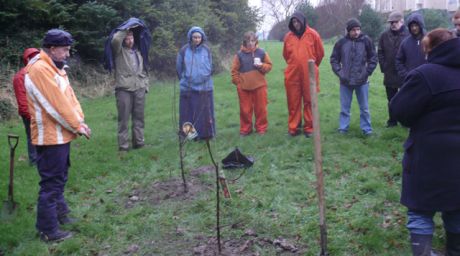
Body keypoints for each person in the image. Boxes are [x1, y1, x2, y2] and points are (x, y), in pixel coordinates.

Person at [390, 29, 460, 256]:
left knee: (420, 210)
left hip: (427, 157)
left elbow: (400, 110)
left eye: (425, 49)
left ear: (432, 49)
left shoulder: (424, 75)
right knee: (457, 207)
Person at [24, 29, 91, 242]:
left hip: (61, 134)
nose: (67, 54)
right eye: (64, 50)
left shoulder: (56, 67)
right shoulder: (39, 69)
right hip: (49, 137)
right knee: (51, 183)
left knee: (60, 177)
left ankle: (60, 215)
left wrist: (80, 121)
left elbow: (69, 97)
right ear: (52, 49)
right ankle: (47, 230)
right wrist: (77, 126)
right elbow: (56, 106)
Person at [109, 18, 151, 151]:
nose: (130, 40)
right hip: (124, 89)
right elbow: (115, 39)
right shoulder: (118, 51)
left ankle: (138, 142)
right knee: (124, 119)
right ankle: (123, 146)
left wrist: (145, 85)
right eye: (127, 38)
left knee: (139, 118)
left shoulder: (139, 51)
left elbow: (144, 69)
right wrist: (127, 28)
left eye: (131, 37)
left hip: (139, 87)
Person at [330, 18, 378, 136]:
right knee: (344, 108)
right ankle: (343, 128)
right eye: (353, 30)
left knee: (364, 108)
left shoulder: (366, 41)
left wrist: (367, 73)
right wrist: (340, 73)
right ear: (348, 31)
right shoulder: (341, 43)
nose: (356, 32)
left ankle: (367, 129)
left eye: (358, 29)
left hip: (362, 81)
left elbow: (373, 58)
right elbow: (334, 59)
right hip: (345, 82)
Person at [282, 11, 324, 137]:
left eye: (297, 21)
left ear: (303, 21)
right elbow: (286, 55)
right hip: (293, 74)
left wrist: (312, 68)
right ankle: (294, 128)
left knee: (309, 100)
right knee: (293, 102)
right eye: (293, 22)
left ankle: (309, 128)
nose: (296, 24)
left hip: (309, 74)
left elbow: (320, 53)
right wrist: (295, 64)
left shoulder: (313, 34)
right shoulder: (288, 37)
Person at [176, 26, 215, 140]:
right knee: (187, 114)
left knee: (205, 113)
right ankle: (190, 136)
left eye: (199, 37)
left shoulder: (207, 50)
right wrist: (186, 79)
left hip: (205, 87)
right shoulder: (184, 50)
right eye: (194, 37)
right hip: (188, 88)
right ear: (190, 37)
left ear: (202, 38)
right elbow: (179, 68)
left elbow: (210, 65)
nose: (197, 39)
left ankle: (206, 135)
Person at [231, 31, 272, 136]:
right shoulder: (239, 54)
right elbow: (234, 71)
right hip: (244, 88)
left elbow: (269, 66)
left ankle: (261, 128)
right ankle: (246, 129)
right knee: (245, 110)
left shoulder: (262, 52)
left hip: (260, 86)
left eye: (253, 41)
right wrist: (238, 83)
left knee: (261, 109)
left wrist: (261, 66)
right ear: (244, 41)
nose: (250, 43)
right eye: (248, 41)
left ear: (256, 41)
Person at [377, 11, 409, 127]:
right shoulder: (384, 35)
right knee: (391, 100)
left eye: (395, 22)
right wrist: (384, 66)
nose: (393, 24)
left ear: (402, 21)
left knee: (406, 99)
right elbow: (380, 52)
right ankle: (392, 121)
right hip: (389, 72)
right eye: (391, 22)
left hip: (405, 73)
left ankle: (406, 122)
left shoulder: (409, 34)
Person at [12, 48, 40, 165]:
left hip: (40, 111)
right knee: (32, 136)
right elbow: (22, 100)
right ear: (28, 59)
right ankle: (34, 161)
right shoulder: (20, 77)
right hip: (29, 113)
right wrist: (30, 115)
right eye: (35, 58)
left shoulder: (38, 73)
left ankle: (42, 159)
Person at [395, 12, 427, 80]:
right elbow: (399, 61)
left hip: (427, 79)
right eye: (412, 26)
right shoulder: (405, 43)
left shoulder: (429, 40)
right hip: (410, 80)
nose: (414, 28)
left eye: (416, 25)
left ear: (421, 25)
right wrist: (406, 75)